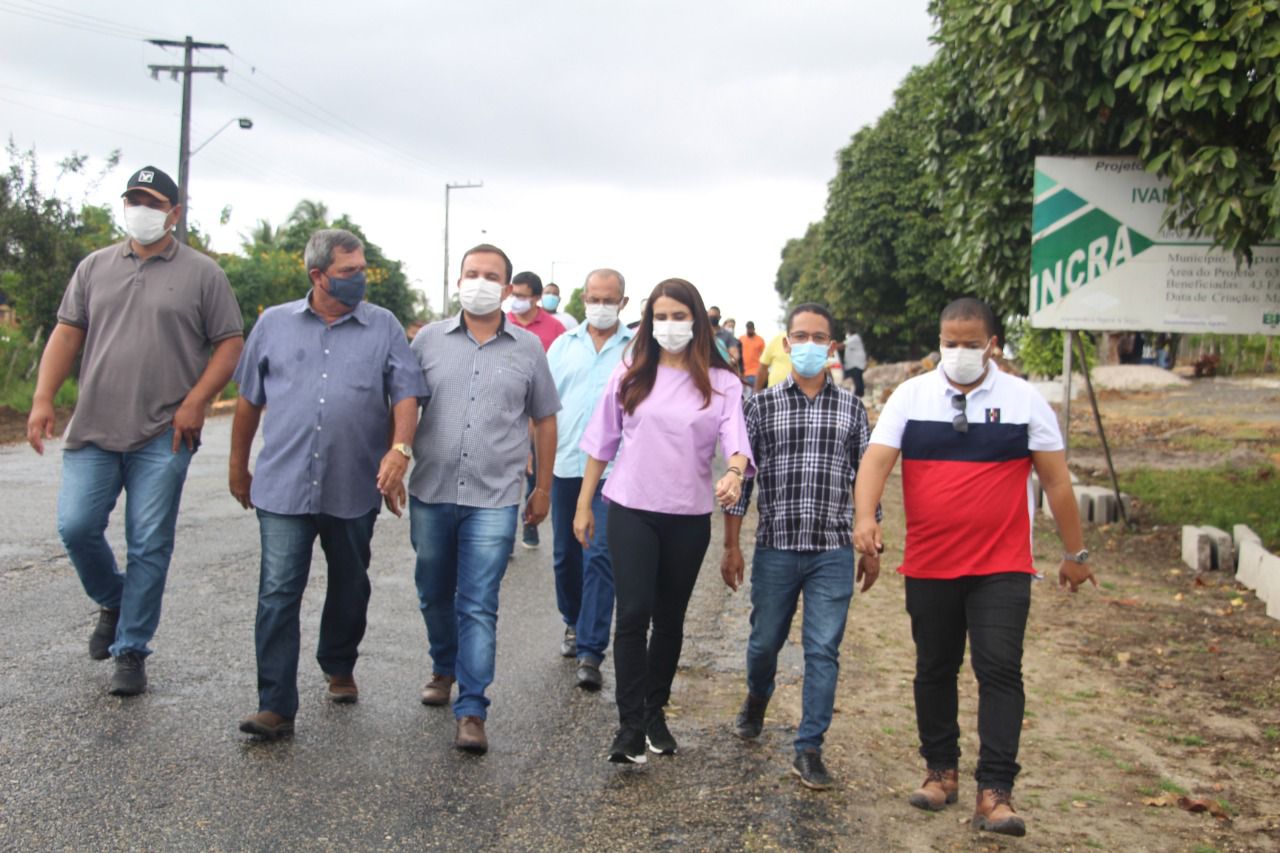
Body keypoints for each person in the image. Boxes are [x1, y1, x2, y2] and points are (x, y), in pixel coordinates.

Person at [853, 296, 1094, 838]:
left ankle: (996, 792)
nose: (958, 352)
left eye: (970, 344)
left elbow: (1056, 481)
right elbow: (875, 462)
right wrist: (865, 517)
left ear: (992, 346)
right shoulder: (910, 397)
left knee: (1000, 670)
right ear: (938, 343)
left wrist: (1075, 554)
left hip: (1002, 567)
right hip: (930, 564)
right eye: (949, 343)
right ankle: (940, 771)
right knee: (934, 668)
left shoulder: (1024, 400)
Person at [26, 165, 243, 696]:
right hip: (94, 427)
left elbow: (230, 344)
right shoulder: (94, 266)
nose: (140, 210)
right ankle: (115, 599)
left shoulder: (203, 274)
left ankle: (131, 649)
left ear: (174, 213)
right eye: (133, 200)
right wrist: (42, 398)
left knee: (148, 543)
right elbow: (67, 334)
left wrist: (196, 402)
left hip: (164, 433)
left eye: (152, 202)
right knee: (76, 527)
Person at [230, 229, 428, 740]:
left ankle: (339, 662)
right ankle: (275, 705)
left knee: (350, 582)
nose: (360, 278)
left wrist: (399, 450)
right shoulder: (273, 324)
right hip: (283, 484)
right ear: (318, 276)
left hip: (353, 483)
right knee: (278, 592)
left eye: (361, 268)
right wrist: (237, 464)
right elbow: (248, 400)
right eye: (348, 271)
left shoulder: (384, 326)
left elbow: (406, 393)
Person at [575, 278, 753, 765]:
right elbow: (601, 442)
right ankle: (629, 727)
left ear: (696, 321)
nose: (669, 325)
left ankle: (655, 713)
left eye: (679, 316)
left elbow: (736, 444)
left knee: (669, 619)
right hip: (631, 508)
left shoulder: (722, 383)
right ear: (648, 321)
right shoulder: (631, 373)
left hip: (688, 517)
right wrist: (584, 503)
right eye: (661, 316)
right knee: (633, 613)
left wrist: (734, 474)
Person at [408, 244, 560, 755]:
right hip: (431, 490)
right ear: (458, 282)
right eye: (471, 273)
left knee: (478, 602)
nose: (480, 282)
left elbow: (544, 419)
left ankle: (472, 709)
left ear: (507, 288)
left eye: (491, 276)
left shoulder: (528, 349)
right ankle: (443, 665)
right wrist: (393, 456)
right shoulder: (428, 340)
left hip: (494, 497)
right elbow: (404, 405)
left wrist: (542, 487)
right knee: (433, 590)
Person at [721, 303, 880, 791]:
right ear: (787, 344)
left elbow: (866, 480)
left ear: (832, 347)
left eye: (819, 337)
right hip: (777, 548)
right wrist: (731, 545)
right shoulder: (760, 406)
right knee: (764, 642)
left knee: (823, 650)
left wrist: (870, 544)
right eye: (801, 336)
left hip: (832, 551)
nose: (810, 344)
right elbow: (743, 481)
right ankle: (757, 697)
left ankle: (809, 747)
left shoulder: (852, 409)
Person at [544, 268, 632, 689]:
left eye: (608, 299)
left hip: (614, 471)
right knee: (566, 554)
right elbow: (543, 404)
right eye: (594, 298)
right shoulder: (563, 346)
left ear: (623, 303)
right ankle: (573, 620)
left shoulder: (637, 350)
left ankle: (591, 650)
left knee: (600, 555)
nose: (600, 306)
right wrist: (534, 456)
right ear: (583, 300)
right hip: (565, 465)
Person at [508, 270, 564, 549]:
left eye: (522, 295)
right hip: (509, 412)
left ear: (537, 298)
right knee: (506, 473)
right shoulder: (501, 323)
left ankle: (529, 522)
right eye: (514, 294)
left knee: (535, 471)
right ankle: (502, 534)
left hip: (540, 411)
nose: (516, 300)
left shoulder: (555, 329)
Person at [738, 321, 765, 393]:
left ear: (754, 329)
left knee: (754, 395)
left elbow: (764, 357)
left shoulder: (760, 340)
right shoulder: (741, 339)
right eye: (748, 328)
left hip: (755, 373)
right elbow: (738, 356)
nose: (749, 330)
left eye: (751, 328)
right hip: (743, 373)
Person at [841, 328, 867, 397]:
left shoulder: (855, 338)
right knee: (857, 379)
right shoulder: (852, 339)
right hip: (852, 364)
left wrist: (832, 346)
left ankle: (859, 394)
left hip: (856, 364)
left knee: (857, 380)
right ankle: (859, 394)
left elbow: (842, 345)